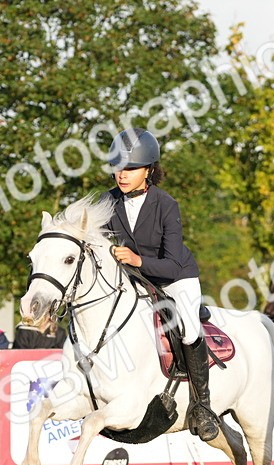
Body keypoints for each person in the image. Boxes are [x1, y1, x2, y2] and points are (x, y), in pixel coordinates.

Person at [105, 127, 221, 441]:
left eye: (130, 168)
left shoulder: (166, 205)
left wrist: (136, 260)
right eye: (119, 167)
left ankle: (203, 407)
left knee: (187, 327)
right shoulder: (108, 201)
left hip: (176, 277)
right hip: (135, 279)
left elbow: (170, 264)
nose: (122, 174)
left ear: (149, 171)